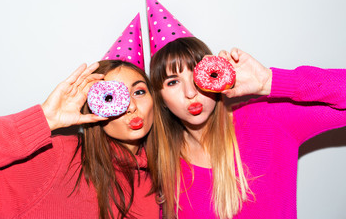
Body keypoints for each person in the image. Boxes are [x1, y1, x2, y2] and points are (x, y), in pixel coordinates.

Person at [146, 36, 346, 219]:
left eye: (196, 75)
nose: (190, 93)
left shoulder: (267, 120)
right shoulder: (162, 162)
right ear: (161, 99)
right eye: (173, 82)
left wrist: (268, 81)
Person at [0, 60, 159, 219]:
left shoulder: (161, 179)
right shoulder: (61, 156)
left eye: (139, 92)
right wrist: (45, 119)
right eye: (110, 98)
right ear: (93, 107)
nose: (132, 107)